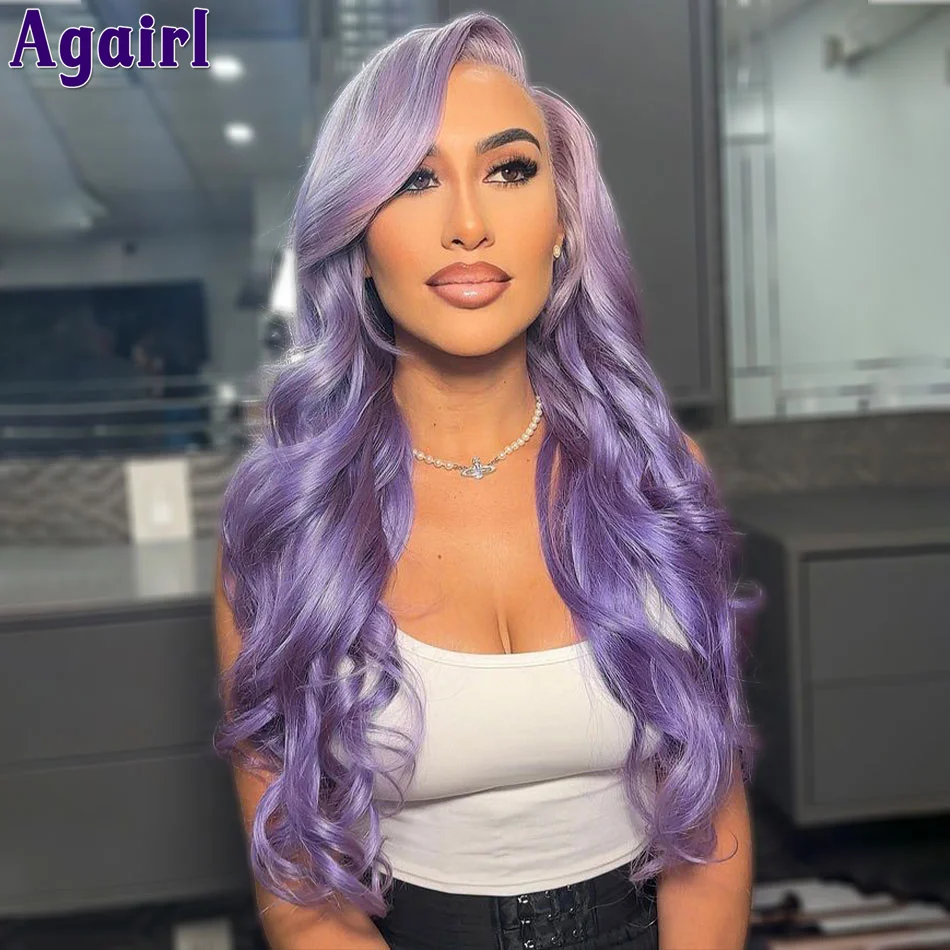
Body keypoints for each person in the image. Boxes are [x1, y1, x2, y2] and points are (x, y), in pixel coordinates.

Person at [213, 12, 759, 950]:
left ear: (563, 223)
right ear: (357, 236)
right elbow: (302, 899)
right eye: (415, 179)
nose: (468, 224)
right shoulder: (286, 522)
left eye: (509, 171)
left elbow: (711, 822)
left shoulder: (658, 475)